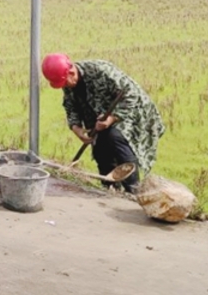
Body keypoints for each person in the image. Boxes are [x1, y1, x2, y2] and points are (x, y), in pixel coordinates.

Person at [41, 54, 166, 193]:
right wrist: (76, 128)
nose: (64, 86)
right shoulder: (68, 82)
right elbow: (71, 107)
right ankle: (110, 190)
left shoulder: (102, 71)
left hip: (131, 111)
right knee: (100, 147)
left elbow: (131, 95)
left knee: (115, 138)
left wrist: (111, 118)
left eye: (64, 83)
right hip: (101, 117)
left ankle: (133, 191)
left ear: (71, 72)